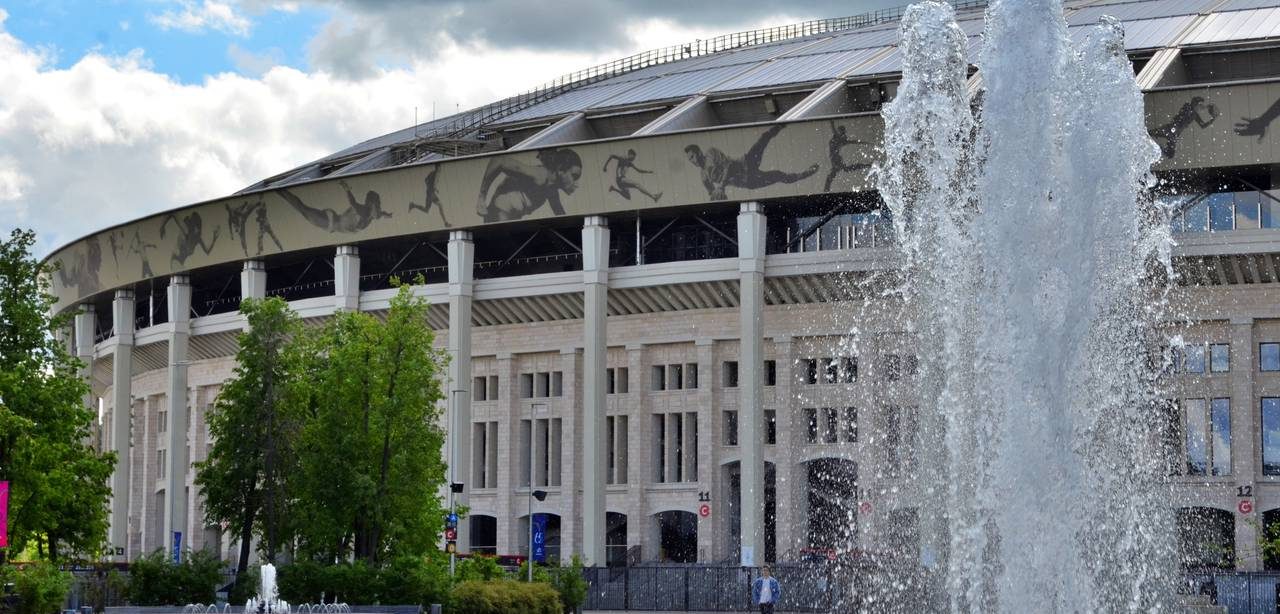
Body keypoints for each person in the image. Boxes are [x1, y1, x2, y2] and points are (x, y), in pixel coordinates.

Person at [685, 124, 819, 200]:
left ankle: (780, 125)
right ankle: (804, 174)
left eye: (692, 157)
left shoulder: (711, 153)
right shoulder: (704, 177)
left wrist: (721, 185)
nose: (692, 161)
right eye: (690, 159)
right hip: (748, 181)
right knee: (778, 175)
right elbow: (713, 195)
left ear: (699, 153)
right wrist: (720, 197)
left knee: (761, 142)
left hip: (745, 164)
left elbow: (729, 166)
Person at [475, 148, 582, 222]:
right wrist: (482, 196)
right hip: (498, 216)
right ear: (560, 169)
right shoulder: (540, 175)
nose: (576, 183)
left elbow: (560, 214)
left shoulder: (551, 190)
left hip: (508, 220)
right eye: (574, 176)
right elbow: (499, 160)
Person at [280, 180, 392, 234]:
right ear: (371, 204)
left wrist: (386, 214)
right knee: (302, 209)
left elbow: (379, 214)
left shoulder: (373, 214)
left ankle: (281, 191)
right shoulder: (364, 211)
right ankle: (281, 191)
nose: (378, 210)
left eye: (378, 206)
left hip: (331, 223)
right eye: (376, 205)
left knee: (303, 209)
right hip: (330, 220)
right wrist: (347, 189)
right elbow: (353, 203)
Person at [1149, 96, 1218, 158]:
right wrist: (1205, 107)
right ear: (1195, 104)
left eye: (1201, 106)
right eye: (1200, 105)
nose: (1201, 108)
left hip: (1174, 135)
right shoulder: (1187, 107)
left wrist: (1212, 120)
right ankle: (1155, 146)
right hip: (1170, 129)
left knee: (1170, 154)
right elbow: (1189, 112)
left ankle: (1158, 148)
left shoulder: (1194, 115)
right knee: (1149, 133)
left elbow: (1203, 125)